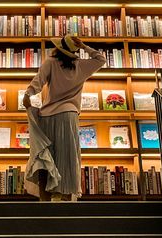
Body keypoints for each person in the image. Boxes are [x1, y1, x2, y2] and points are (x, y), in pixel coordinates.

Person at [23, 34, 106, 200]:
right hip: (69, 116)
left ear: (58, 48)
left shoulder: (50, 63)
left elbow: (37, 82)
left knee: (46, 158)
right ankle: (66, 204)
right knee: (68, 160)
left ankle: (45, 202)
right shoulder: (81, 66)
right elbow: (101, 59)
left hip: (47, 115)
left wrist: (27, 95)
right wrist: (84, 46)